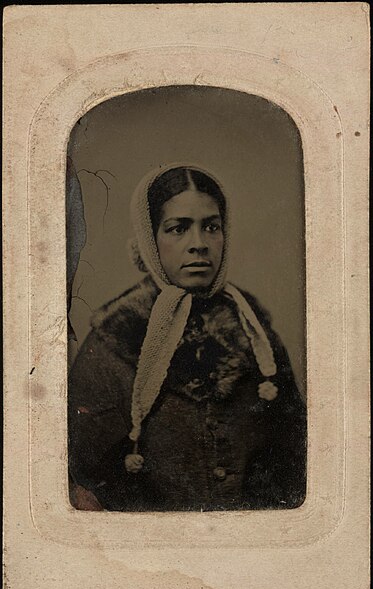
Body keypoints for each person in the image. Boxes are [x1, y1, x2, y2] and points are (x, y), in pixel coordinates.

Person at [68, 165, 307, 512]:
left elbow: (294, 460)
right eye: (178, 229)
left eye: (211, 227)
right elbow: (86, 475)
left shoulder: (256, 334)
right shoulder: (112, 343)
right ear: (150, 239)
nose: (199, 245)